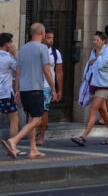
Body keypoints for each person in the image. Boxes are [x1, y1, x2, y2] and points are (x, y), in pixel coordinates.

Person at [2, 23, 56, 159]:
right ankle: (14, 140)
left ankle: (33, 149)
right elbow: (47, 70)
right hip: (36, 88)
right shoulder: (43, 48)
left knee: (31, 119)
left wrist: (17, 90)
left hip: (24, 90)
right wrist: (54, 88)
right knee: (37, 120)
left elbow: (18, 71)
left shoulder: (23, 49)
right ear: (42, 33)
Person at [72, 31, 108, 146]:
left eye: (97, 40)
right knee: (103, 112)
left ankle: (83, 137)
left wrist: (98, 54)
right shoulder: (94, 51)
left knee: (92, 110)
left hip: (103, 85)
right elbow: (91, 65)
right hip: (95, 84)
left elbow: (100, 65)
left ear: (103, 41)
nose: (95, 42)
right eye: (94, 40)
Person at [38, 30, 63, 146]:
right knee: (33, 112)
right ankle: (35, 133)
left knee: (44, 111)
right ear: (43, 38)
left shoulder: (55, 53)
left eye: (52, 38)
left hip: (47, 86)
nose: (51, 40)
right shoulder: (37, 51)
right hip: (35, 85)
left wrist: (59, 90)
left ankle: (41, 136)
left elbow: (59, 71)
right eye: (48, 38)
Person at [0, 33, 18, 142]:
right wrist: (15, 54)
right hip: (5, 93)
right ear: (7, 44)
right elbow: (20, 68)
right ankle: (12, 145)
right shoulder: (9, 59)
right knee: (14, 120)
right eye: (11, 42)